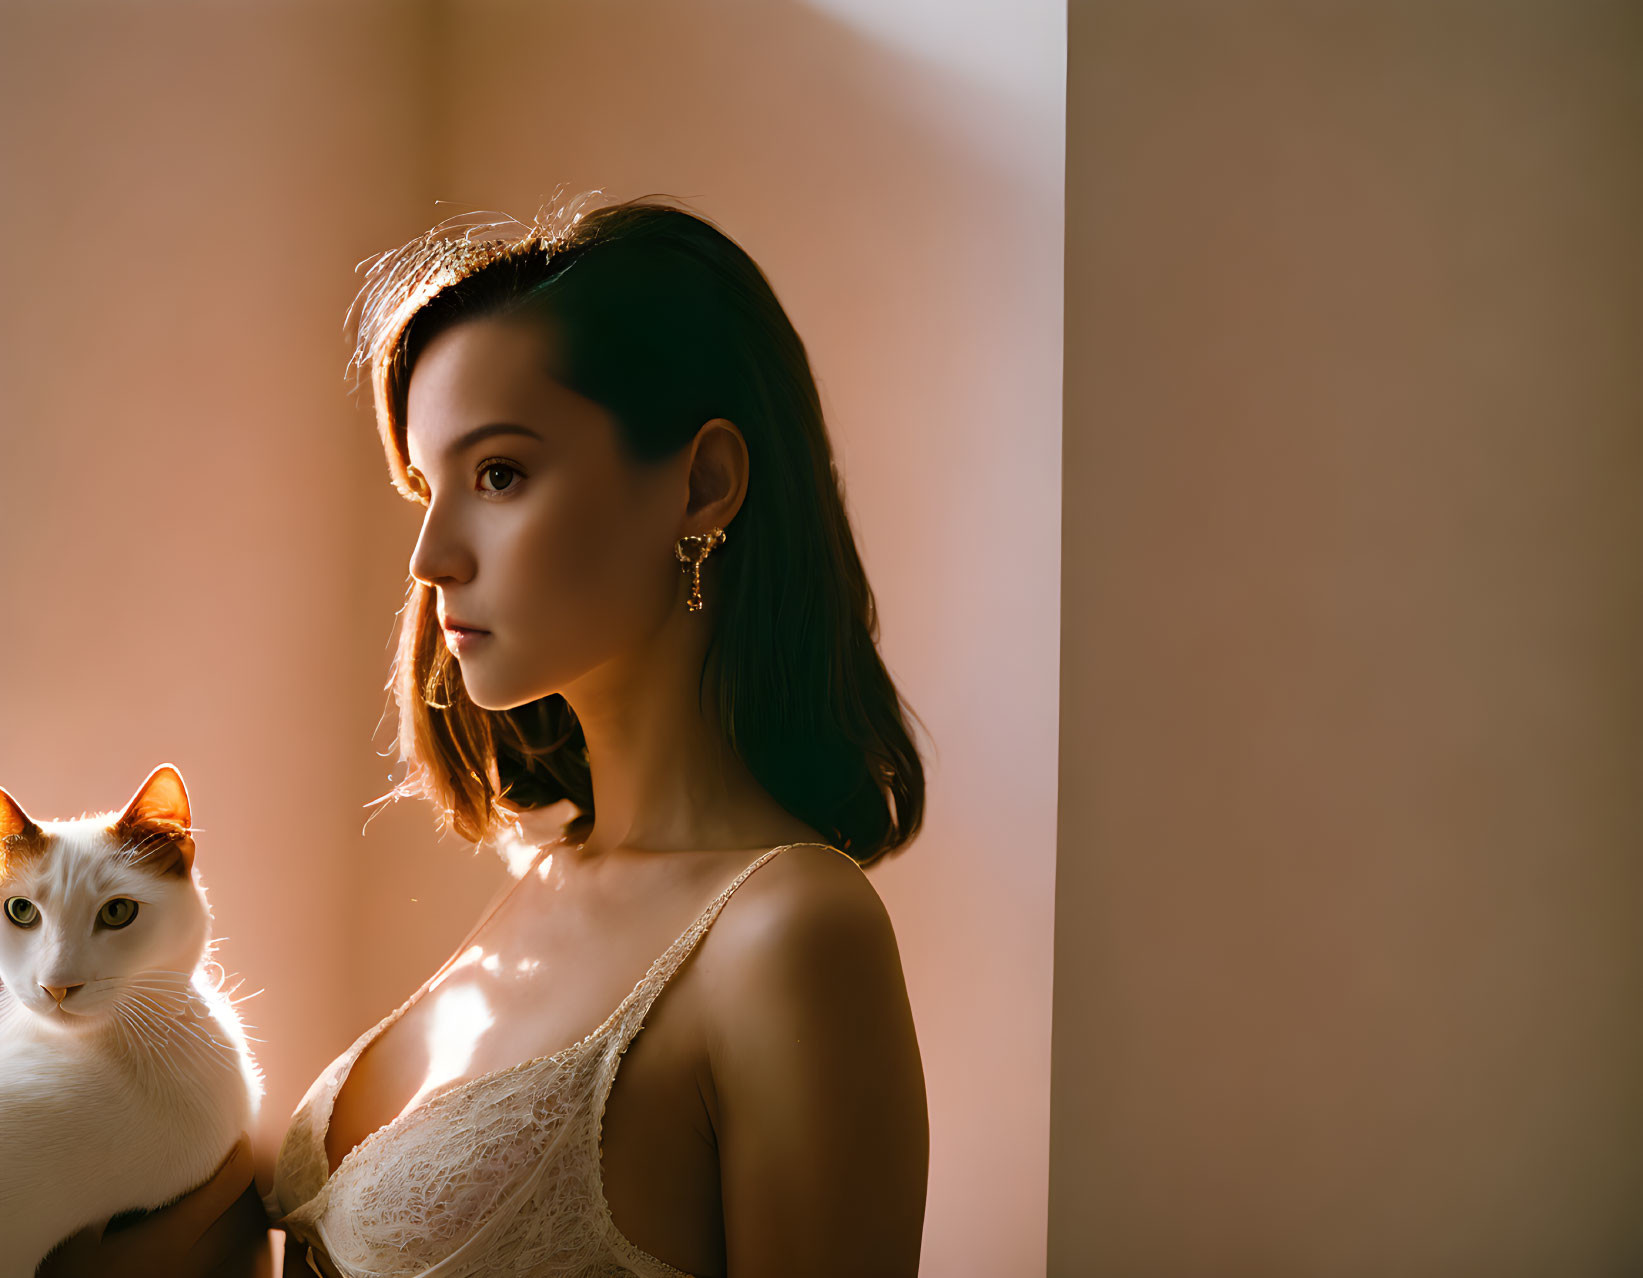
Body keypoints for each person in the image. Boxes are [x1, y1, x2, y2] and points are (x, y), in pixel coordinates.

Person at [61, 190, 930, 1277]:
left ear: (703, 486)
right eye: (428, 485)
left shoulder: (790, 935)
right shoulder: (547, 875)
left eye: (500, 475)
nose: (430, 558)